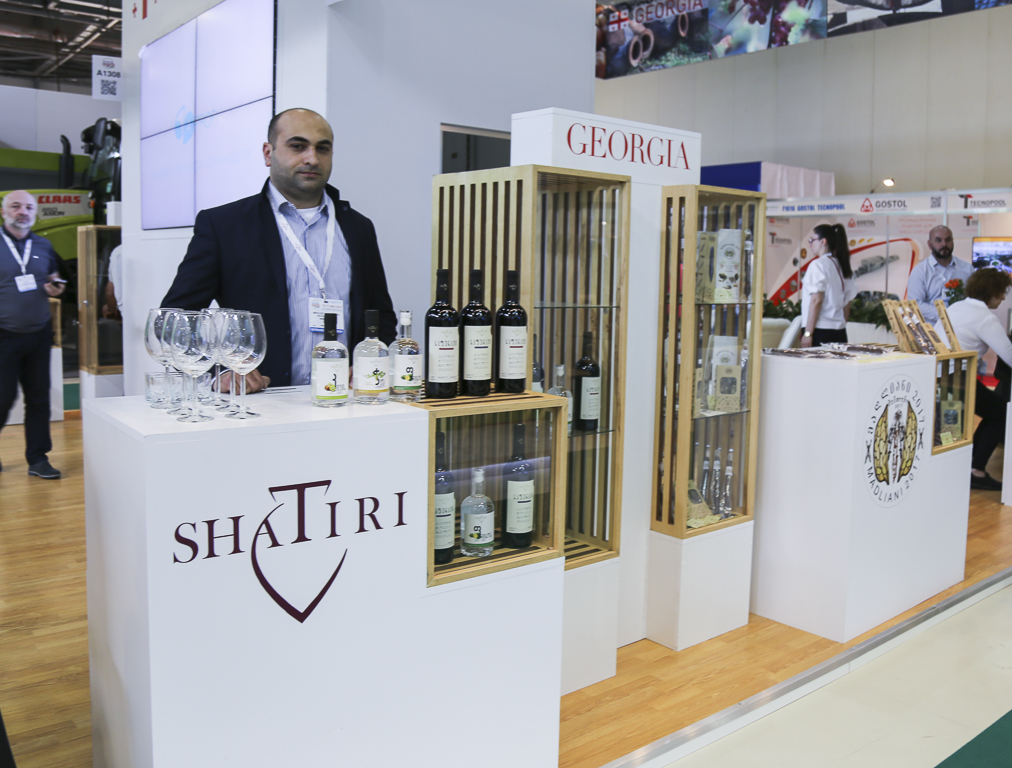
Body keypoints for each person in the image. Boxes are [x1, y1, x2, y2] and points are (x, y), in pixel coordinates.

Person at [162, 108, 396, 390]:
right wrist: (218, 371)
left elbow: (381, 315)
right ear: (268, 153)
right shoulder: (225, 226)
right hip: (262, 400)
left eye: (322, 149)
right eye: (297, 146)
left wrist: (372, 361)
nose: (312, 159)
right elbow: (174, 320)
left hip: (345, 399)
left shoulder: (358, 228)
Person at [0, 190, 65, 479]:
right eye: (15, 206)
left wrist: (56, 286)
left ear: (35, 213)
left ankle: (38, 459)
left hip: (39, 333)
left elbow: (53, 277)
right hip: (3, 334)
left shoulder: (43, 245)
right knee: (2, 398)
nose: (22, 212)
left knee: (39, 399)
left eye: (28, 207)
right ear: (4, 212)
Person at [934, 267, 1012, 491]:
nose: (1004, 298)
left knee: (950, 432)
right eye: (1002, 292)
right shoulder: (985, 318)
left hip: (940, 375)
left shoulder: (957, 306)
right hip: (957, 378)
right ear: (992, 292)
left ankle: (964, 469)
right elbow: (1009, 355)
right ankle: (974, 470)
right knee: (1001, 414)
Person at [799, 223, 857, 348]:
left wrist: (808, 333)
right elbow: (847, 304)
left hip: (819, 331)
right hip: (840, 332)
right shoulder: (844, 267)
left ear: (823, 242)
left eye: (812, 240)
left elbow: (816, 300)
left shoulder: (818, 265)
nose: (810, 244)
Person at [906, 225, 973, 325]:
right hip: (932, 330)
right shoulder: (920, 271)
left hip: (963, 327)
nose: (944, 244)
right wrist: (946, 314)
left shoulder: (967, 269)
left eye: (948, 240)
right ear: (929, 244)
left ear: (953, 242)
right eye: (938, 240)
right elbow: (915, 304)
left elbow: (975, 300)